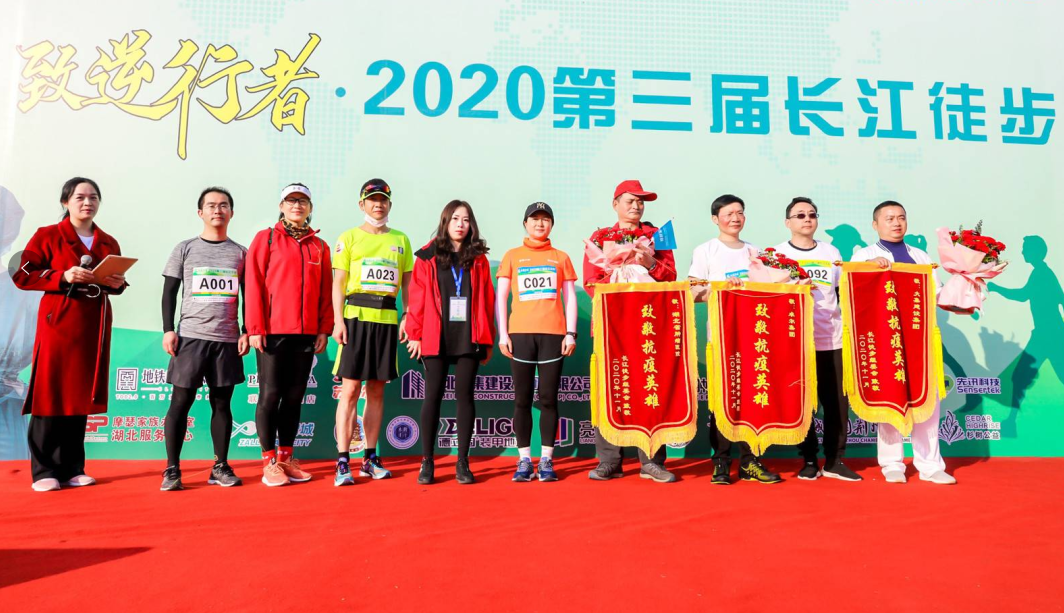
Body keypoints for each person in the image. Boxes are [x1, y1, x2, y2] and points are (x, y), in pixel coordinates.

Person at [12, 177, 127, 491]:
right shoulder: (48, 235)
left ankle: (73, 468)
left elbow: (114, 279)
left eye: (93, 197)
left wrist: (117, 283)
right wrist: (61, 275)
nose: (87, 203)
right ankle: (44, 471)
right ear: (66, 202)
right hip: (58, 323)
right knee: (51, 393)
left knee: (79, 394)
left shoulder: (107, 242)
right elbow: (23, 272)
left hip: (93, 325)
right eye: (80, 197)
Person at [851, 200, 955, 485]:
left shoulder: (920, 257)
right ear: (875, 224)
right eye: (889, 218)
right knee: (890, 396)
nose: (896, 223)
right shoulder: (865, 255)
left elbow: (936, 294)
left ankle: (930, 465)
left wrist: (964, 290)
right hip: (885, 340)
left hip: (920, 339)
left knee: (928, 401)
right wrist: (867, 269)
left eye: (901, 217)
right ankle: (891, 463)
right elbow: (852, 293)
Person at [583, 180, 677, 483]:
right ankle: (609, 460)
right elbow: (590, 283)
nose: (636, 206)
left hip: (650, 324)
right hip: (612, 323)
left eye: (641, 201)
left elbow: (671, 277)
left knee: (650, 386)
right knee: (610, 388)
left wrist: (649, 263)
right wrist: (616, 273)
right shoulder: (600, 237)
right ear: (615, 204)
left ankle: (651, 460)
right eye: (630, 201)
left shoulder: (657, 236)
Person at [159, 187, 249, 491]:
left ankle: (220, 466)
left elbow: (249, 296)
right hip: (190, 338)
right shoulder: (184, 248)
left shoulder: (241, 253)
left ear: (231, 213)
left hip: (226, 339)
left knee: (222, 404)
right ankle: (172, 469)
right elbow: (169, 292)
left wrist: (246, 330)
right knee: (180, 402)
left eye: (223, 205)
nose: (217, 210)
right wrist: (168, 329)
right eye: (211, 206)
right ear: (200, 213)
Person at [688, 194, 782, 485]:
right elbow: (693, 292)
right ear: (715, 219)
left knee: (753, 399)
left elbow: (770, 289)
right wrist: (721, 289)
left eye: (739, 213)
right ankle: (720, 462)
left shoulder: (756, 252)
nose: (735, 218)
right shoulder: (706, 250)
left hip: (755, 337)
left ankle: (750, 462)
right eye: (728, 214)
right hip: (722, 337)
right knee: (722, 401)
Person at [245, 183, 333, 487]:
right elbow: (253, 283)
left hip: (306, 334)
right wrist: (254, 328)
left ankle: (286, 458)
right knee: (270, 395)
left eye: (303, 201)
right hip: (272, 332)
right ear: (281, 206)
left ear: (310, 207)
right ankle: (268, 462)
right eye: (291, 200)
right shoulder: (266, 238)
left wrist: (324, 328)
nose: (297, 205)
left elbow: (325, 291)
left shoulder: (319, 246)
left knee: (294, 397)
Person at [405, 200, 495, 485]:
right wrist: (415, 333)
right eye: (455, 218)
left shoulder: (478, 258)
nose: (460, 224)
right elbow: (417, 298)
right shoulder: (427, 256)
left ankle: (463, 462)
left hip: (469, 335)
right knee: (432, 396)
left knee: (465, 397)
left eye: (466, 220)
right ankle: (427, 461)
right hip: (435, 335)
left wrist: (488, 339)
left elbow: (488, 300)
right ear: (445, 221)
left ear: (471, 225)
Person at [771, 197, 861, 482]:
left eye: (812, 214)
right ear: (787, 222)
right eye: (799, 215)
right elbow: (769, 296)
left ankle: (835, 461)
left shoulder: (830, 251)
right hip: (795, 342)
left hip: (831, 339)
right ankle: (809, 459)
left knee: (836, 404)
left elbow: (844, 290)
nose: (807, 219)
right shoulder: (776, 253)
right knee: (803, 402)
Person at [331, 179, 413, 486]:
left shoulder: (401, 239)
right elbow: (339, 283)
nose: (378, 204)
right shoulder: (348, 237)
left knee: (376, 391)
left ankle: (369, 457)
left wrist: (407, 315)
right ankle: (343, 460)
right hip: (355, 318)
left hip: (387, 320)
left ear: (390, 204)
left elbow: (408, 285)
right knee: (351, 390)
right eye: (372, 199)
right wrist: (338, 321)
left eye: (383, 200)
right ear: (362, 204)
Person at [496, 202, 578, 482]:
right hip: (520, 335)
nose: (540, 224)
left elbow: (570, 297)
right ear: (525, 223)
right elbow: (501, 298)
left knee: (548, 398)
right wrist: (503, 334)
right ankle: (523, 460)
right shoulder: (512, 256)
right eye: (534, 219)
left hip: (553, 336)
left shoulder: (561, 257)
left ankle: (546, 460)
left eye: (545, 219)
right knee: (521, 399)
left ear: (551, 224)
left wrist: (571, 333)